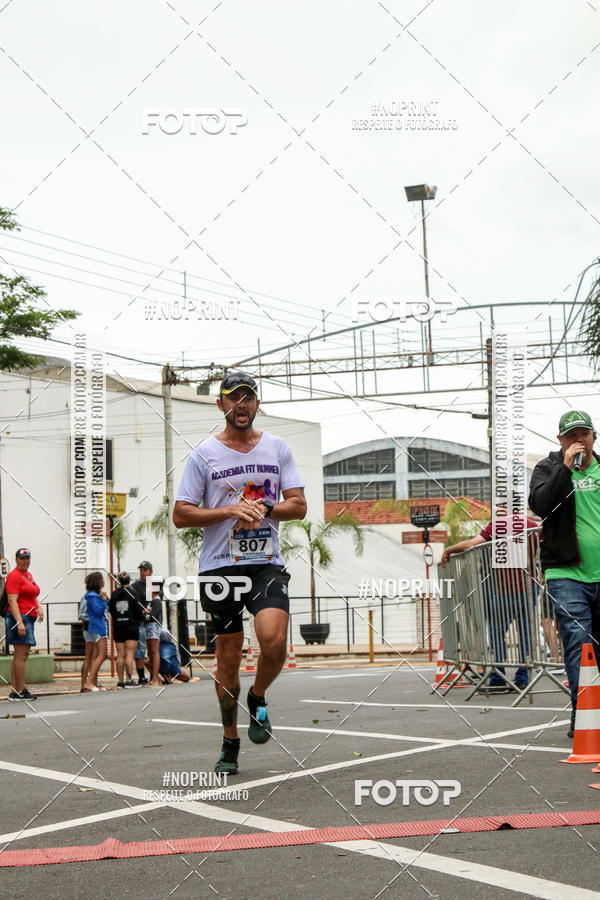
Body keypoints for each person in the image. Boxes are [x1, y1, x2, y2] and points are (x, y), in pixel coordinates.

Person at [174, 370, 307, 775]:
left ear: (257, 403)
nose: (241, 404)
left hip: (266, 563)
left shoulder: (277, 447)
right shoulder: (203, 455)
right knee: (227, 658)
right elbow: (181, 514)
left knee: (274, 641)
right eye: (233, 398)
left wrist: (264, 509)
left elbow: (298, 506)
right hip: (219, 568)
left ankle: (259, 695)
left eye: (248, 397)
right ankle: (230, 740)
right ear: (221, 405)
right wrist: (230, 509)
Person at [529, 409, 600, 738]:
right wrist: (566, 468)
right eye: (571, 436)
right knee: (578, 645)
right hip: (567, 573)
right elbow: (540, 505)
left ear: (593, 437)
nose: (578, 440)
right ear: (560, 441)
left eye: (583, 434)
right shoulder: (548, 468)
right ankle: (584, 716)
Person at [441, 515, 539, 692]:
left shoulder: (498, 525)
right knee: (525, 633)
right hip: (530, 586)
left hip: (506, 590)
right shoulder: (531, 525)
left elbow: (471, 544)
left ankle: (498, 677)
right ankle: (523, 677)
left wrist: (449, 550)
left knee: (496, 632)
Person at [4, 548, 43, 701]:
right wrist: (19, 622)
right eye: (22, 558)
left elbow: (33, 593)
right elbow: (12, 601)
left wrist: (38, 607)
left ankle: (16, 690)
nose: (25, 561)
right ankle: (19, 690)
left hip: (28, 617)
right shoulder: (14, 576)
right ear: (16, 560)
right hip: (19, 617)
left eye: (27, 558)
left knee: (21, 655)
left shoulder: (28, 575)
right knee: (21, 655)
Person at [131, 561, 163, 687]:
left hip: (152, 621)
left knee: (153, 651)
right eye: (141, 570)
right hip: (141, 621)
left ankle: (154, 676)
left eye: (145, 570)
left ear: (150, 571)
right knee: (140, 651)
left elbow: (157, 602)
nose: (142, 572)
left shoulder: (154, 584)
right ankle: (143, 677)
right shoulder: (135, 586)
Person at [109, 572, 142, 688]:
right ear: (129, 580)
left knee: (120, 654)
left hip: (118, 626)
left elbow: (111, 610)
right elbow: (138, 610)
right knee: (129, 654)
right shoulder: (133, 593)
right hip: (131, 626)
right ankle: (129, 679)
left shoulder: (114, 595)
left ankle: (120, 681)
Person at [81, 571, 108, 693]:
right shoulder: (93, 596)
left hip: (93, 626)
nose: (103, 581)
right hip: (98, 626)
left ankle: (91, 682)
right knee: (102, 655)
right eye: (102, 579)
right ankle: (89, 682)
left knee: (96, 655)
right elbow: (99, 611)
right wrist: (103, 600)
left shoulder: (90, 595)